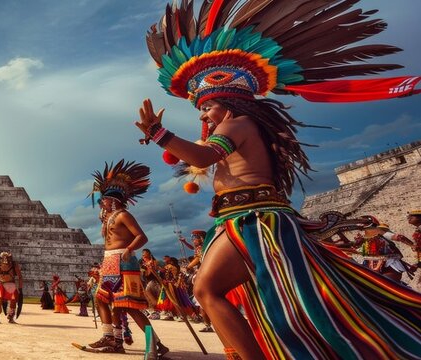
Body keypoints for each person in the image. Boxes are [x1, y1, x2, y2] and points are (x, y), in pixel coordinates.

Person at [138, 2, 421, 358]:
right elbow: (205, 160)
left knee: (208, 290)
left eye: (206, 107)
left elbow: (205, 156)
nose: (204, 115)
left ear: (225, 100)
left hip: (255, 220)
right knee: (236, 294)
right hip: (242, 218)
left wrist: (159, 133)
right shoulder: (239, 125)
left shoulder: (236, 123)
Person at [80, 160, 166, 355]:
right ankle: (112, 338)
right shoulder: (110, 217)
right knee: (107, 301)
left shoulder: (123, 215)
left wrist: (129, 249)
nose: (101, 202)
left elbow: (141, 236)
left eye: (104, 200)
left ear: (114, 201)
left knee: (128, 305)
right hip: (110, 261)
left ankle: (154, 343)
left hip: (123, 260)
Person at [0, 252, 22, 324]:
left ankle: (10, 317)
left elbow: (20, 276)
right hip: (2, 284)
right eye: (3, 257)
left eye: (6, 257)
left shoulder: (13, 265)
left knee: (13, 301)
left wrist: (20, 288)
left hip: (10, 284)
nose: (5, 259)